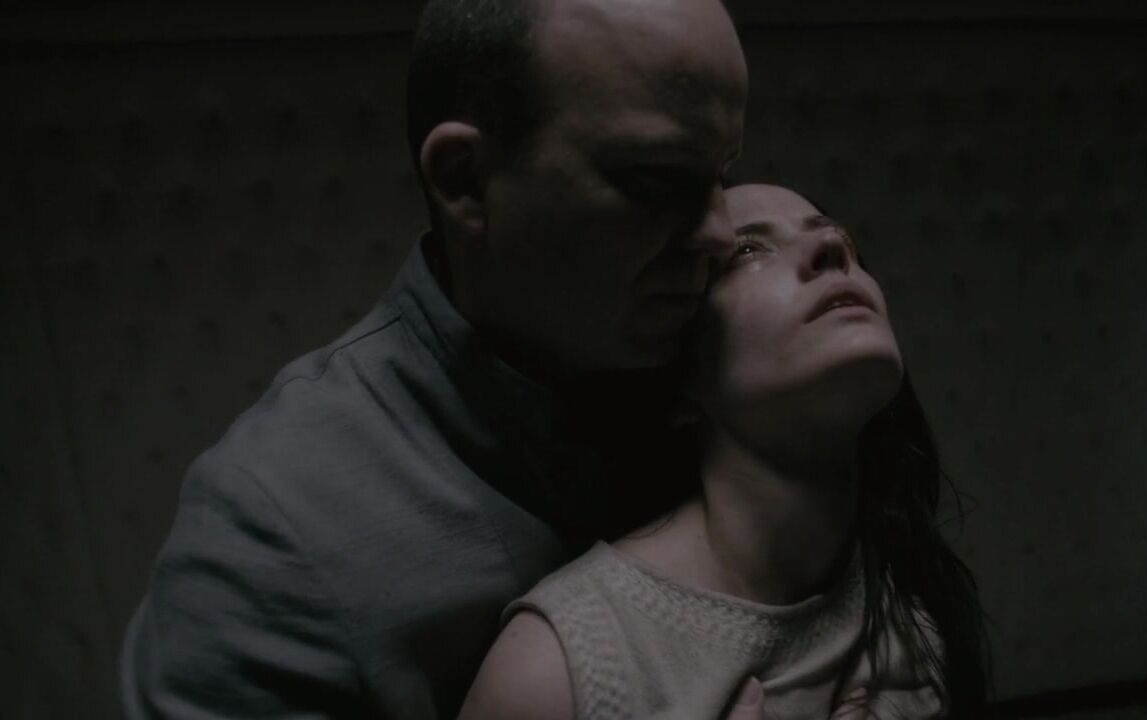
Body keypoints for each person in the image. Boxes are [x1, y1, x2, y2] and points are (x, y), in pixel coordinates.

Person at [118, 0, 746, 717]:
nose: (720, 233)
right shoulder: (273, 536)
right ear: (464, 180)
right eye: (658, 180)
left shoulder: (737, 379)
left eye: (723, 174)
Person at [457, 183, 990, 720]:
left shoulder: (912, 609)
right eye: (749, 250)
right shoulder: (558, 669)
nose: (832, 247)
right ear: (679, 382)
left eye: (840, 237)